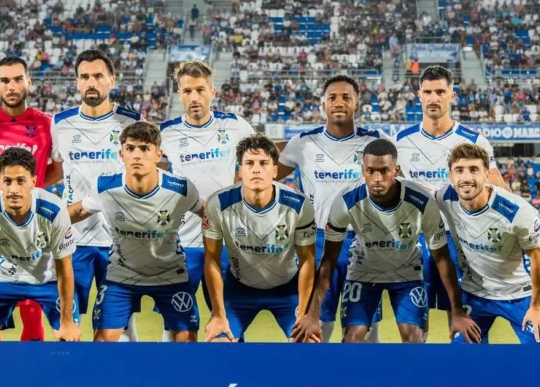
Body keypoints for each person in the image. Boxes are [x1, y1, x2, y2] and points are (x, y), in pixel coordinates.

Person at [293, 140, 476, 344]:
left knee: (414, 340)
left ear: (396, 170)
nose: (377, 178)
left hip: (408, 273)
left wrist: (457, 311)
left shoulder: (422, 201)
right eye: (370, 171)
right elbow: (329, 260)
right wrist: (312, 315)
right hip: (363, 272)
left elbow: (442, 257)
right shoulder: (345, 201)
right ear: (363, 171)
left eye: (384, 171)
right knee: (352, 339)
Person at [392, 65, 508, 341]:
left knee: (463, 323)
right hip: (415, 241)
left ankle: (465, 368)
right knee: (414, 330)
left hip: (460, 240)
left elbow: (501, 191)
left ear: (452, 95)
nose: (433, 98)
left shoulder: (474, 141)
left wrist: (447, 192)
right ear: (419, 95)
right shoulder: (400, 141)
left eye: (440, 92)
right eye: (428, 92)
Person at [68, 121, 203, 342]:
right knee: (102, 342)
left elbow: (208, 213)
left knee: (187, 342)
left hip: (171, 275)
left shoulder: (181, 188)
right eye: (130, 148)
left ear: (158, 154)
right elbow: (79, 211)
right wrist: (41, 222)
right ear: (121, 154)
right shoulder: (105, 187)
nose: (137, 155)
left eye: (145, 148)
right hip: (121, 275)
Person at [0, 56, 62, 342]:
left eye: (18, 79)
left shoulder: (46, 124)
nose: (12, 86)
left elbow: (57, 169)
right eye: (5, 80)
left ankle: (29, 370)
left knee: (31, 311)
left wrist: (32, 187)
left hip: (31, 230)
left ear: (28, 81)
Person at [276, 75, 383, 343]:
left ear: (357, 104)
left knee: (366, 332)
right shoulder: (303, 142)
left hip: (364, 242)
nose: (339, 102)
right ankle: (314, 372)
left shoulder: (376, 141)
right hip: (319, 242)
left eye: (346, 97)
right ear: (323, 104)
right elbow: (267, 175)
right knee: (315, 328)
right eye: (332, 97)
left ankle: (363, 372)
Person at [159, 61, 254, 340]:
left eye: (200, 90)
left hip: (227, 242)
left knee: (229, 322)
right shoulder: (165, 133)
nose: (194, 97)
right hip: (182, 243)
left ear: (212, 91)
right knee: (177, 323)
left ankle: (231, 368)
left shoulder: (235, 126)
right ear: (179, 94)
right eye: (187, 91)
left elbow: (260, 162)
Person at [52, 48, 142, 341]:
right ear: (77, 82)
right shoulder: (60, 123)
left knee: (118, 329)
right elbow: (55, 170)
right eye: (85, 77)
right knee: (68, 326)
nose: (91, 82)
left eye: (98, 76)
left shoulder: (132, 122)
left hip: (118, 240)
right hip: (72, 240)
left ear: (111, 79)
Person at [435, 143, 540, 344]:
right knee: (460, 355)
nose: (466, 178)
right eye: (459, 170)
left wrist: (537, 306)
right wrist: (457, 312)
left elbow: (539, 258)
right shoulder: (443, 198)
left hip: (520, 294)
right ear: (450, 176)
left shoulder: (516, 211)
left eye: (474, 169)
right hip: (475, 295)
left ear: (487, 174)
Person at [203, 135, 317, 342]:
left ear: (274, 171)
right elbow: (211, 259)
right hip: (239, 289)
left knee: (308, 343)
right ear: (240, 171)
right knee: (217, 344)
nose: (256, 169)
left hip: (288, 290)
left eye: (263, 163)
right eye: (249, 163)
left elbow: (307, 260)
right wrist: (218, 314)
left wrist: (303, 313)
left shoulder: (299, 204)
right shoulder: (218, 203)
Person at [0, 147, 79, 342]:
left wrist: (67, 322)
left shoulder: (54, 210)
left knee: (69, 340)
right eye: (7, 181)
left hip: (48, 280)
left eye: (20, 181)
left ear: (33, 181)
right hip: (3, 278)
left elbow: (64, 268)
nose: (13, 189)